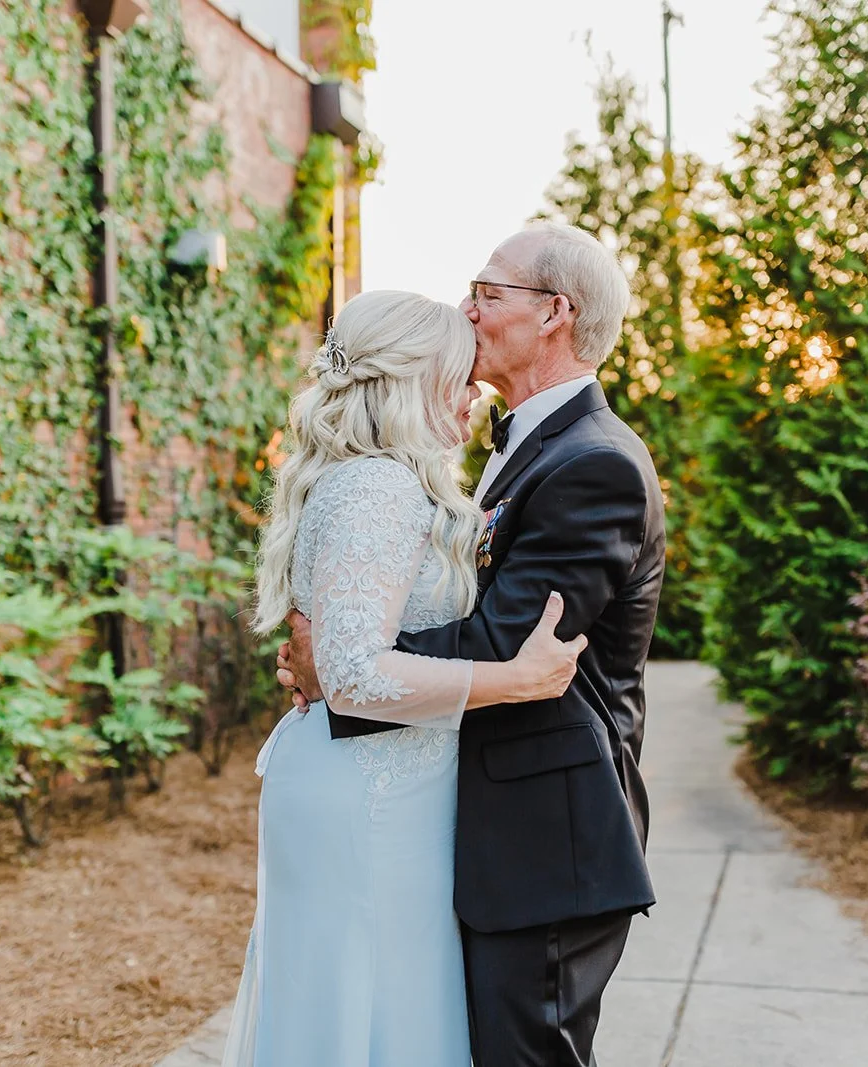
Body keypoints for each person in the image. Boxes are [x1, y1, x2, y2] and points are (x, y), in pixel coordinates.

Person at [279, 222, 667, 1067]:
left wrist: (342, 660)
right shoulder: (513, 448)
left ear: (554, 312)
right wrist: (350, 647)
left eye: (490, 294)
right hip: (475, 822)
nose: (469, 309)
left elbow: (506, 640)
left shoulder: (593, 463)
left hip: (547, 833)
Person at [222, 288, 589, 1067]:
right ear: (412, 383)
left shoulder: (371, 479)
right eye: (459, 379)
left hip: (386, 788)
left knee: (384, 1014)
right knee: (369, 1013)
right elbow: (353, 673)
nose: (471, 397)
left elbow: (347, 651)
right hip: (367, 802)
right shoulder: (379, 486)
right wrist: (514, 677)